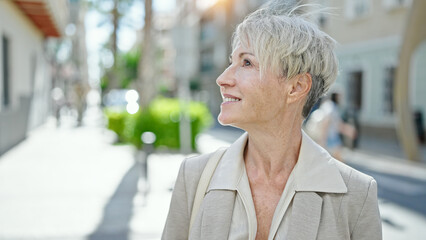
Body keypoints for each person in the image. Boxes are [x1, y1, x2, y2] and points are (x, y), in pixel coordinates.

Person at [162, 1, 382, 239]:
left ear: (296, 87)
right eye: (231, 62)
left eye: (246, 62)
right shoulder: (193, 176)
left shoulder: (356, 194)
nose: (222, 79)